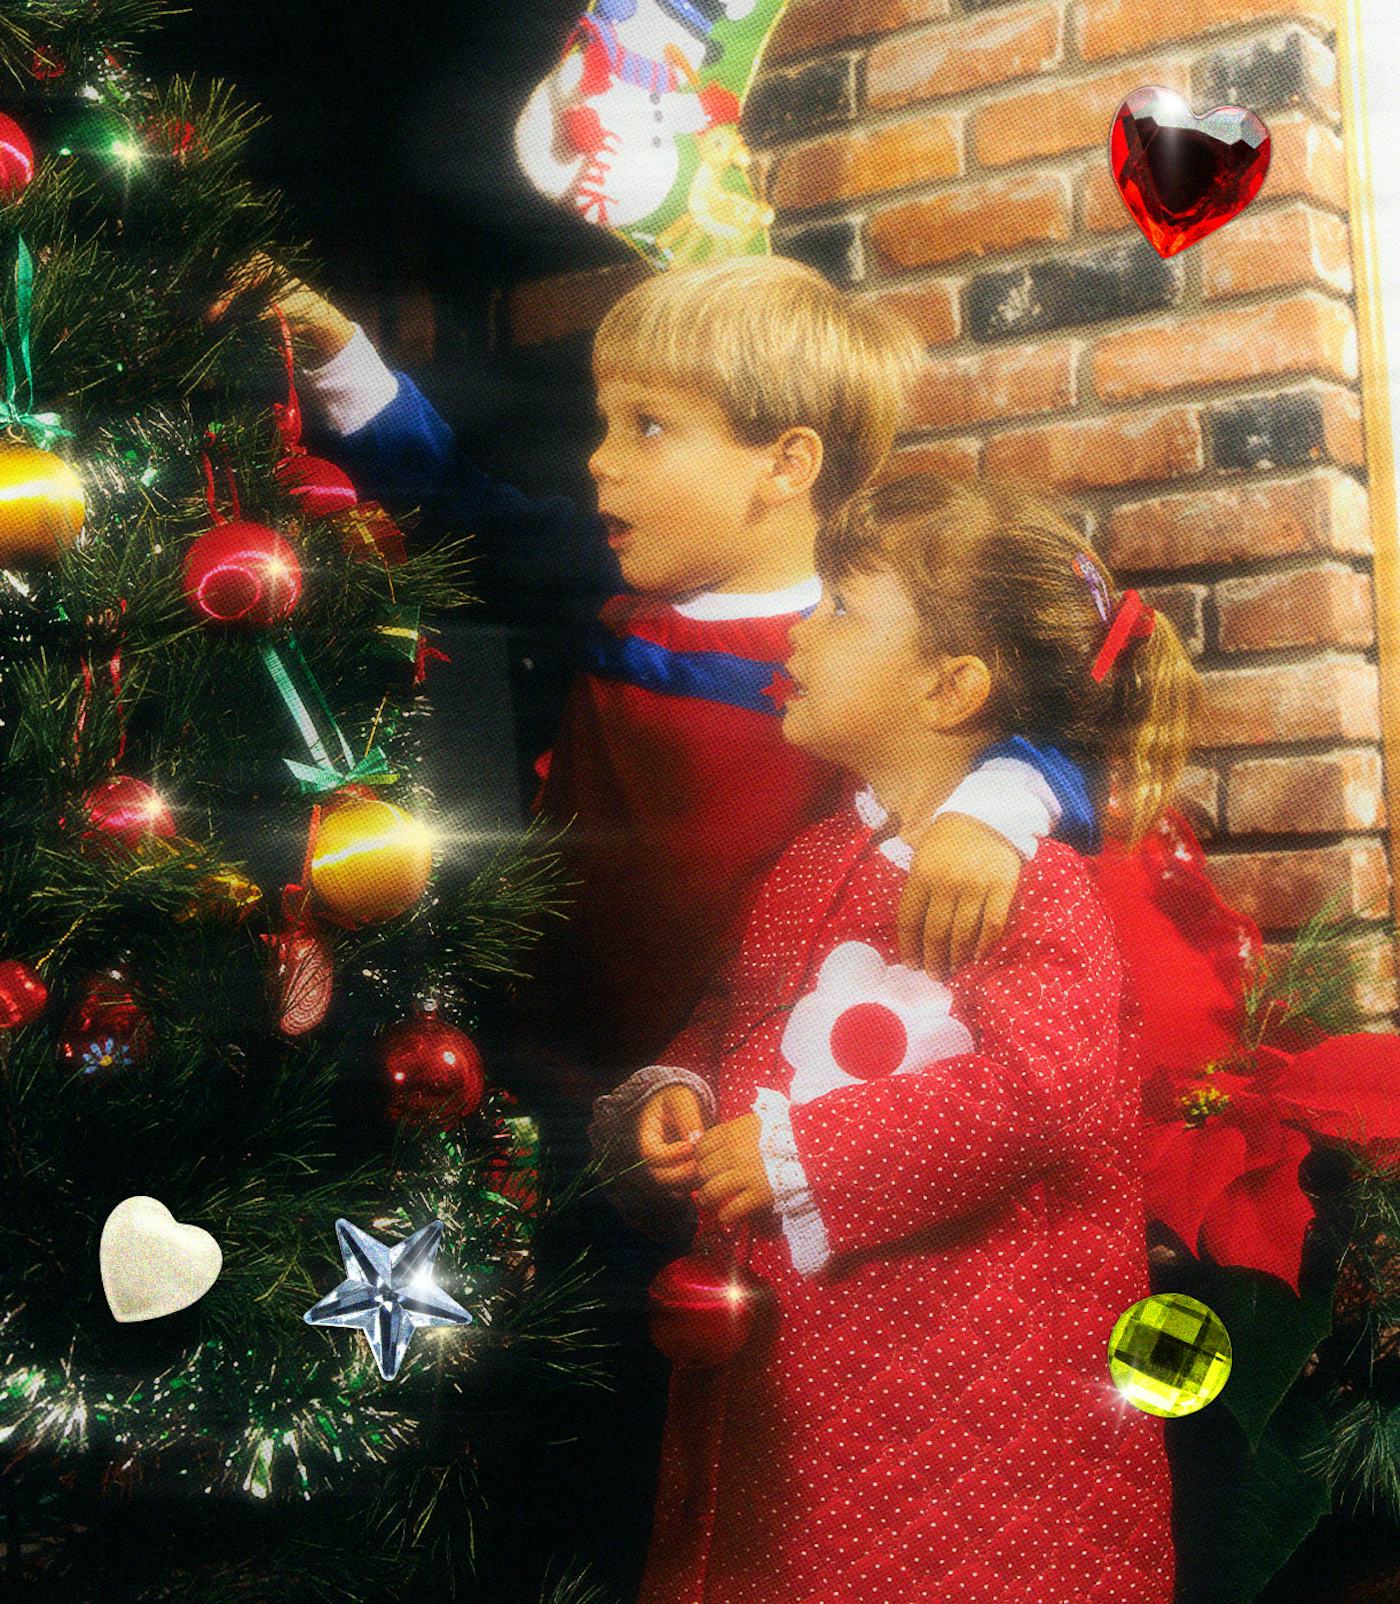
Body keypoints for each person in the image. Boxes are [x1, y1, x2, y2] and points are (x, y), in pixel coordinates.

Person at [213, 257, 1098, 1598]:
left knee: (709, 1411)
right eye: (606, 422)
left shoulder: (865, 648)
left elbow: (1037, 730)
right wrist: (340, 353)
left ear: (783, 465)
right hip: (563, 1081)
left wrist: (1003, 800)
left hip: (752, 1128)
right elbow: (458, 498)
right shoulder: (610, 584)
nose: (602, 465)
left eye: (648, 427)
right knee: (563, 1402)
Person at [592, 472, 1188, 1603]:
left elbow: (1036, 1091)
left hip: (979, 1385)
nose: (800, 628)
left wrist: (796, 1157)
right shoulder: (817, 857)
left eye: (838, 609)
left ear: (949, 683)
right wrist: (680, 1086)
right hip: (806, 1376)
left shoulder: (1035, 887)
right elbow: (738, 1006)